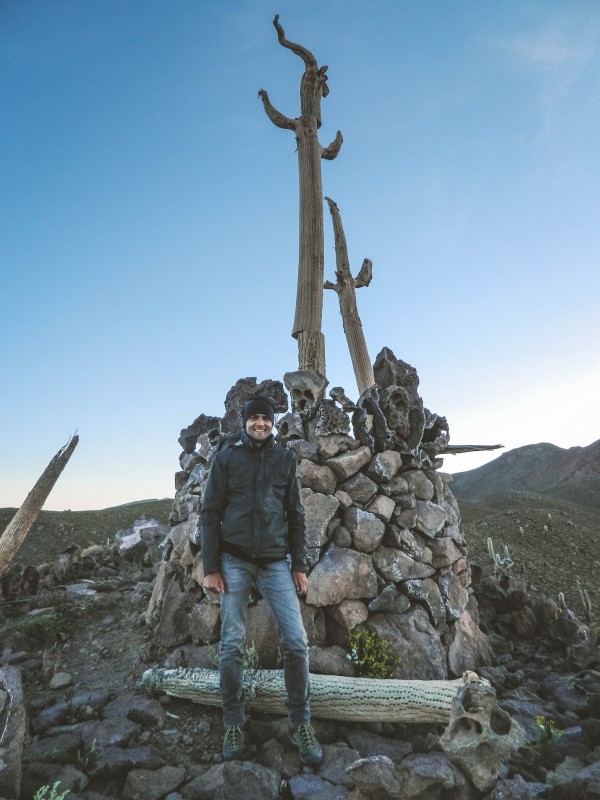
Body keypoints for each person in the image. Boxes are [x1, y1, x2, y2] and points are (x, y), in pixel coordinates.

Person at [200, 395, 323, 765]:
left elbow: (296, 515)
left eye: (265, 419)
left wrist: (298, 566)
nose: (260, 424)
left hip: (274, 563)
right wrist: (210, 567)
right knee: (232, 643)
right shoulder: (226, 459)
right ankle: (234, 722)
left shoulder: (285, 460)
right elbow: (209, 513)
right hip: (233, 560)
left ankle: (300, 722)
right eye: (253, 418)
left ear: (272, 423)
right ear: (245, 422)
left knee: (297, 642)